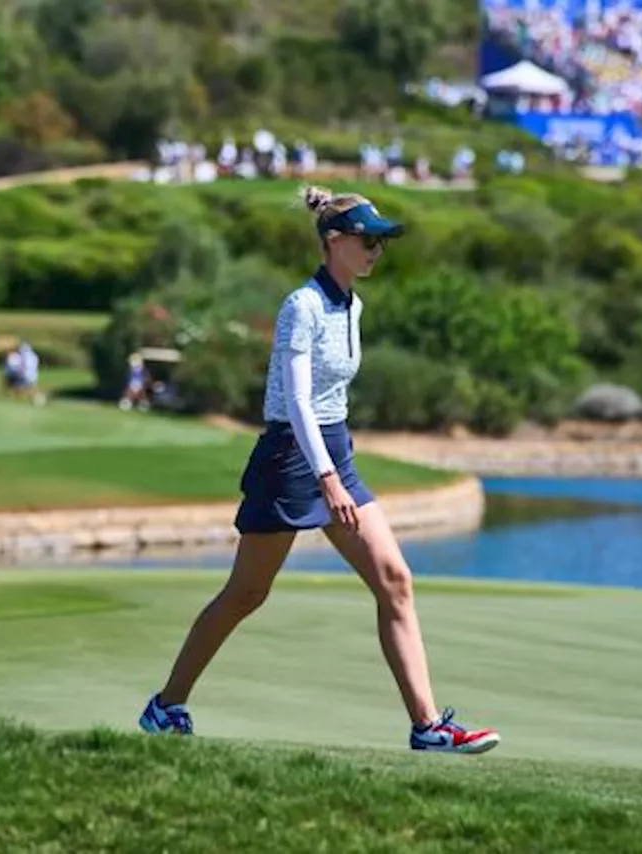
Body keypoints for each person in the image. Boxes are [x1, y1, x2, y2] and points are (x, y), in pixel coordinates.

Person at [138, 186, 501, 755]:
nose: (377, 251)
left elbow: (331, 401)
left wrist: (337, 468)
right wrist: (326, 477)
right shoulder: (300, 305)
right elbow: (299, 401)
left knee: (395, 581)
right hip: (291, 459)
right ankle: (166, 705)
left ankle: (427, 726)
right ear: (334, 241)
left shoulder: (352, 304)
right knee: (246, 593)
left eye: (381, 242)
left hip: (336, 450)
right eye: (368, 240)